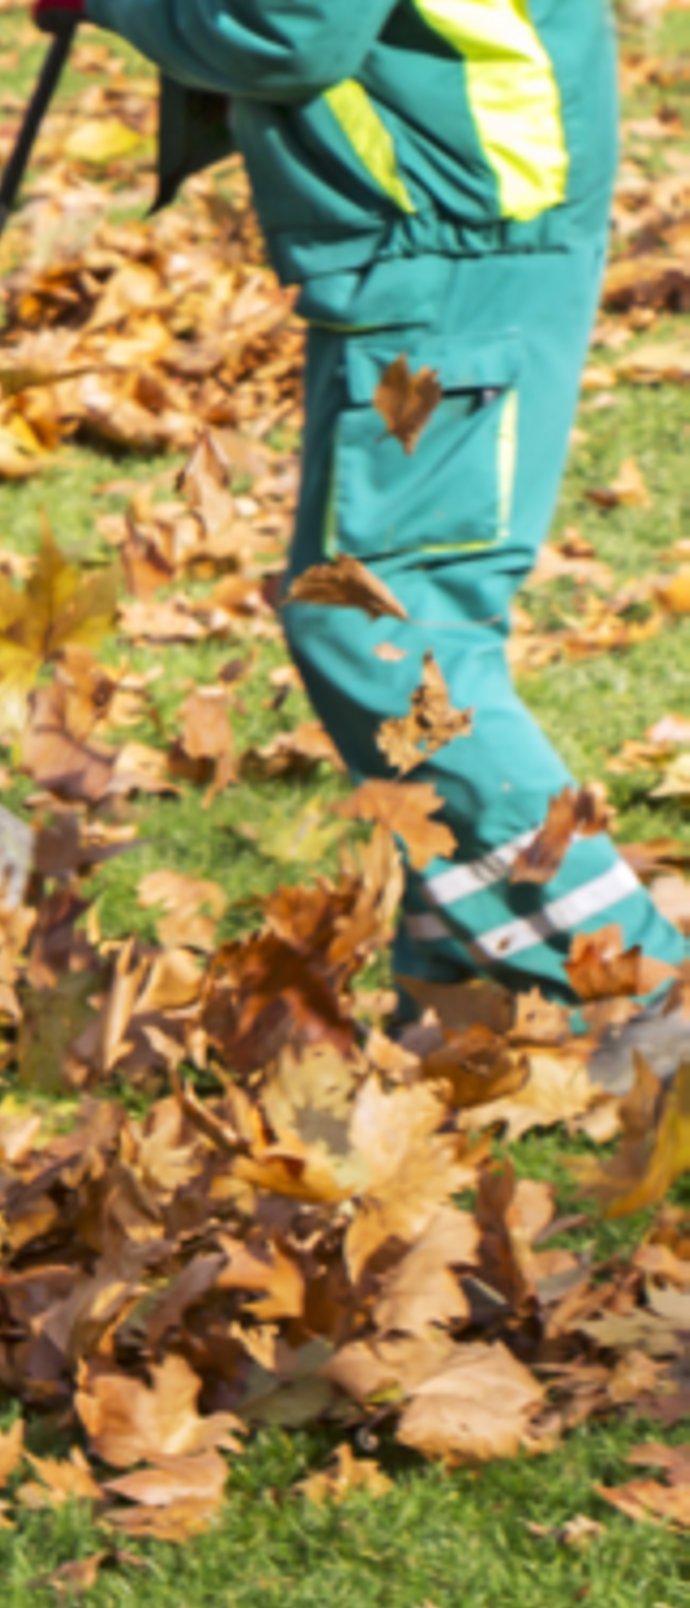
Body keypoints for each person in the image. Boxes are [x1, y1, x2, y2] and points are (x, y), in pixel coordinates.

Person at [46, 0, 687, 1019]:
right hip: (448, 217)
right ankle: (471, 1003)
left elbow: (294, 28)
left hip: (458, 230)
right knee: (402, 610)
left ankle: (649, 991)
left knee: (381, 620)